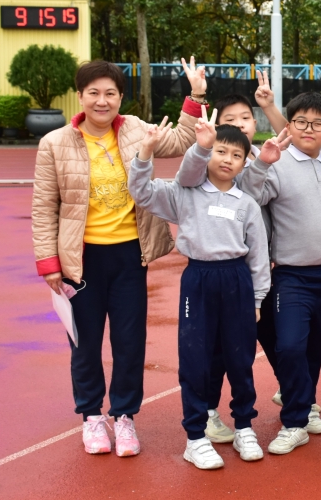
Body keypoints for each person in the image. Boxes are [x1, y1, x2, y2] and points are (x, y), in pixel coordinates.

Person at [32, 58, 206, 457]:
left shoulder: (136, 130)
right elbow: (43, 206)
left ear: (120, 97)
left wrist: (195, 95)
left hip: (130, 255)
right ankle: (92, 416)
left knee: (130, 342)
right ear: (80, 96)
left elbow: (183, 140)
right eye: (93, 92)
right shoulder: (55, 144)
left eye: (110, 93)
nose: (102, 100)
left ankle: (125, 416)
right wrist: (49, 262)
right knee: (85, 344)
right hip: (81, 261)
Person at [181, 92, 321, 455]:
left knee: (314, 342)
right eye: (301, 122)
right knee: (287, 344)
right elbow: (247, 194)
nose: (309, 129)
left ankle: (302, 402)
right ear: (290, 126)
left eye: (318, 124)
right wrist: (262, 160)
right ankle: (293, 419)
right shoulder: (274, 161)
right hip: (286, 272)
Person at [128, 116, 271, 469]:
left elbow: (258, 256)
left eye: (236, 155)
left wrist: (257, 299)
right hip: (199, 280)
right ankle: (195, 437)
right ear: (206, 154)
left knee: (240, 358)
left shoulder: (247, 204)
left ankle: (244, 426)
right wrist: (145, 152)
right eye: (220, 151)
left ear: (244, 163)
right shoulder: (184, 193)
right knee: (195, 359)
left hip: (237, 281)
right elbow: (141, 191)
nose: (227, 160)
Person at [200, 72, 289, 444]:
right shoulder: (218, 162)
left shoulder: (264, 153)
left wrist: (269, 105)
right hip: (228, 270)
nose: (239, 125)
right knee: (221, 347)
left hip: (264, 267)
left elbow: (294, 138)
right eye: (230, 120)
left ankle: (294, 395)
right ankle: (208, 411)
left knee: (276, 336)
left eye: (245, 118)